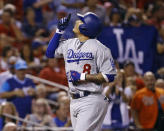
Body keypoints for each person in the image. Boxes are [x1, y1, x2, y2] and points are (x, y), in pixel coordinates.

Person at [46, 12, 116, 130]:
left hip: (92, 98)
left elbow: (109, 76)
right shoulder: (70, 43)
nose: (77, 21)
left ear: (85, 27)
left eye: (81, 20)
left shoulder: (101, 49)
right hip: (74, 99)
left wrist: (82, 77)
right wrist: (59, 31)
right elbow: (50, 53)